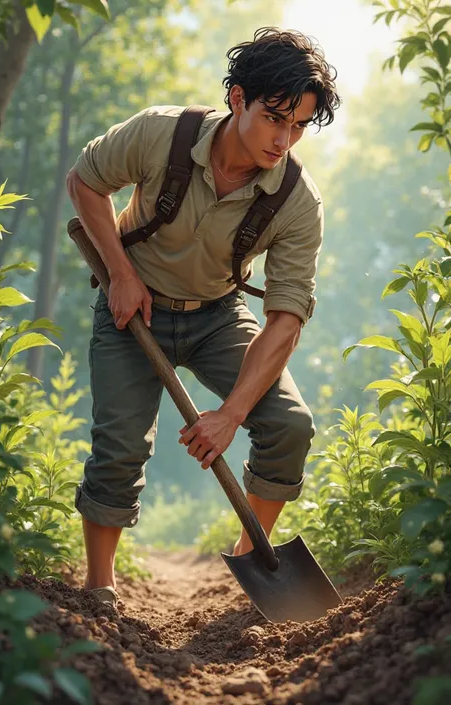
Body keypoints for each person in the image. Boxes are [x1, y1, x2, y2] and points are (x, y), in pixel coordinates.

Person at [67, 26, 340, 608]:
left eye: (299, 126)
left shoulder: (297, 201)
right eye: (275, 117)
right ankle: (99, 590)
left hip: (218, 315)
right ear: (238, 98)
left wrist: (231, 414)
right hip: (132, 307)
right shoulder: (161, 133)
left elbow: (286, 319)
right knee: (119, 445)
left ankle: (251, 563)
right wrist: (119, 272)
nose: (284, 138)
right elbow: (85, 182)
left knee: (289, 424)